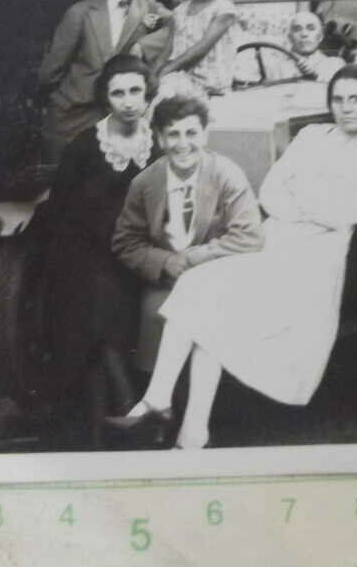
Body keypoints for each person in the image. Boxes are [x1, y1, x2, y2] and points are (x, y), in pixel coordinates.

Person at [108, 66, 357, 449]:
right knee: (199, 286)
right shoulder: (311, 136)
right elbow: (273, 192)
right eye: (339, 99)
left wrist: (300, 201)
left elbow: (344, 213)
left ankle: (186, 426)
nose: (345, 108)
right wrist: (306, 205)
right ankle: (168, 407)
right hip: (273, 241)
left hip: (314, 262)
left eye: (355, 100)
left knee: (210, 317)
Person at [40, 55, 161, 446]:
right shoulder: (86, 146)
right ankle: (129, 404)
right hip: (82, 250)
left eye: (135, 92)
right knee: (97, 295)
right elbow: (60, 210)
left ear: (147, 95)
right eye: (118, 93)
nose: (128, 101)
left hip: (136, 251)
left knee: (109, 297)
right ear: (106, 99)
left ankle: (117, 414)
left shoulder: (157, 143)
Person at [111, 94, 264, 386]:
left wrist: (193, 258)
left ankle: (210, 405)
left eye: (192, 133)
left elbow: (250, 236)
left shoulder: (225, 173)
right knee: (155, 313)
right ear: (159, 138)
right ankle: (161, 410)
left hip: (216, 276)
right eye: (173, 135)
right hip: (167, 280)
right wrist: (165, 262)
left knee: (209, 317)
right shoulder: (144, 184)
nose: (183, 144)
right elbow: (125, 242)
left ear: (205, 134)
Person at [37, 0, 170, 160]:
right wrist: (71, 96)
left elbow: (175, 24)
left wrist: (143, 46)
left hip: (122, 113)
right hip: (76, 113)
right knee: (65, 184)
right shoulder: (80, 12)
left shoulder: (147, 4)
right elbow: (49, 73)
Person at [156, 0, 239, 98]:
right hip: (182, 82)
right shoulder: (180, 11)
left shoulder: (224, 9)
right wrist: (154, 73)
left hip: (213, 88)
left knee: (162, 91)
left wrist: (165, 72)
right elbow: (167, 49)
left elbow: (200, 49)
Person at [287, 11, 345, 83]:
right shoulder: (275, 68)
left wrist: (315, 76)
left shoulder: (334, 64)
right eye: (297, 29)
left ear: (320, 36)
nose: (304, 34)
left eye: (311, 28)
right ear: (290, 37)